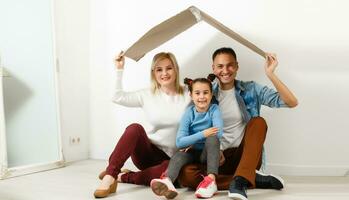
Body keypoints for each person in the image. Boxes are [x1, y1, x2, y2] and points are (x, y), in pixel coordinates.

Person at [178, 47, 298, 200]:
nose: (225, 70)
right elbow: (189, 127)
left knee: (258, 122)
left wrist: (270, 74)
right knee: (185, 176)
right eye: (220, 66)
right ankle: (247, 179)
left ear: (236, 66)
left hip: (244, 156)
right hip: (216, 161)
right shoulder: (204, 93)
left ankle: (242, 177)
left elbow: (291, 102)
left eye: (230, 65)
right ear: (213, 68)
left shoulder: (250, 89)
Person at [93, 51, 191, 198]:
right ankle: (110, 175)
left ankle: (125, 177)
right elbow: (117, 97)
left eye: (169, 68)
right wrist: (120, 69)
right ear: (153, 73)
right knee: (134, 128)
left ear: (176, 69)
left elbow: (204, 110)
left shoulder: (189, 93)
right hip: (148, 153)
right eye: (159, 69)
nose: (164, 73)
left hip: (174, 158)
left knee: (169, 172)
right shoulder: (147, 94)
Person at [150, 77, 223, 199]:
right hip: (191, 152)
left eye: (205, 93)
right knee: (179, 154)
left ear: (211, 95)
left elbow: (218, 133)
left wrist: (191, 139)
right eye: (197, 93)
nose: (202, 97)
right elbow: (179, 142)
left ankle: (211, 181)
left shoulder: (214, 110)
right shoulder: (189, 113)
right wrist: (203, 134)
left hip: (207, 153)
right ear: (191, 95)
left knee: (213, 139)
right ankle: (168, 181)